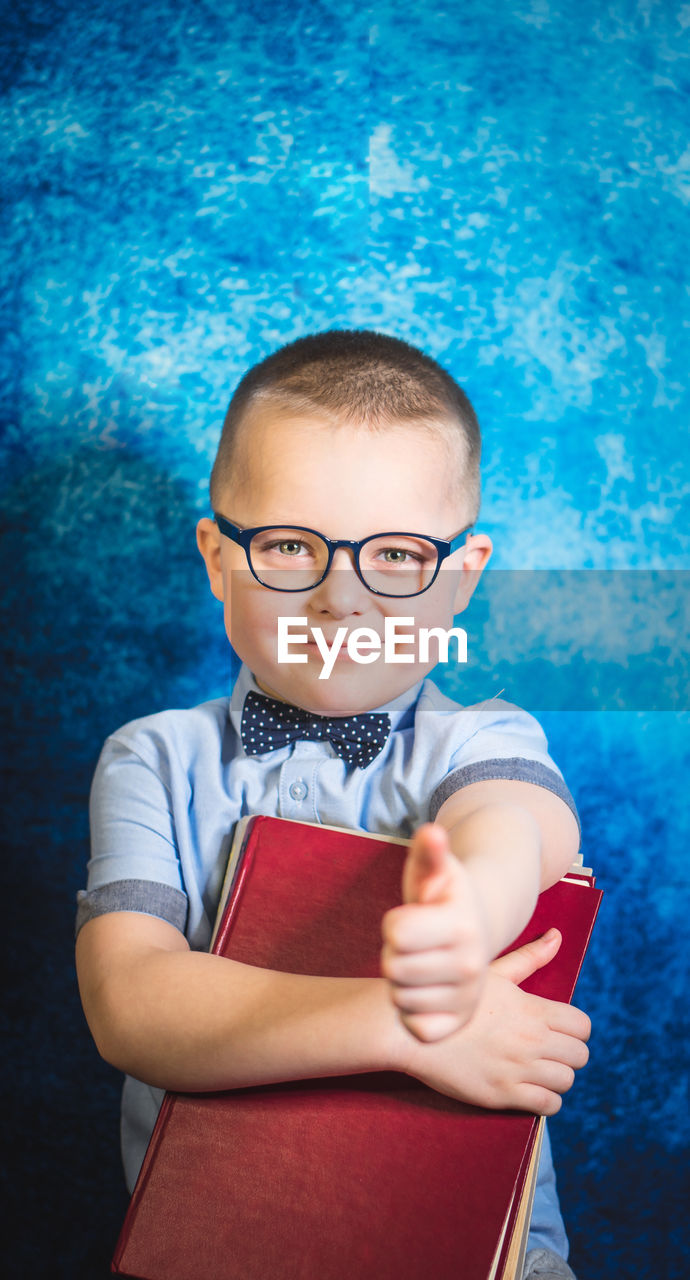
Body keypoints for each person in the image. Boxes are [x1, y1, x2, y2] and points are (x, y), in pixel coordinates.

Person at [76, 330, 591, 1280]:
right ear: (217, 554)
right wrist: (407, 1020)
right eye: (286, 547)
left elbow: (519, 826)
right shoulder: (152, 758)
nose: (339, 600)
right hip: (217, 1251)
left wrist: (466, 915)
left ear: (464, 572)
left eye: (397, 555)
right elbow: (130, 1003)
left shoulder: (480, 739)